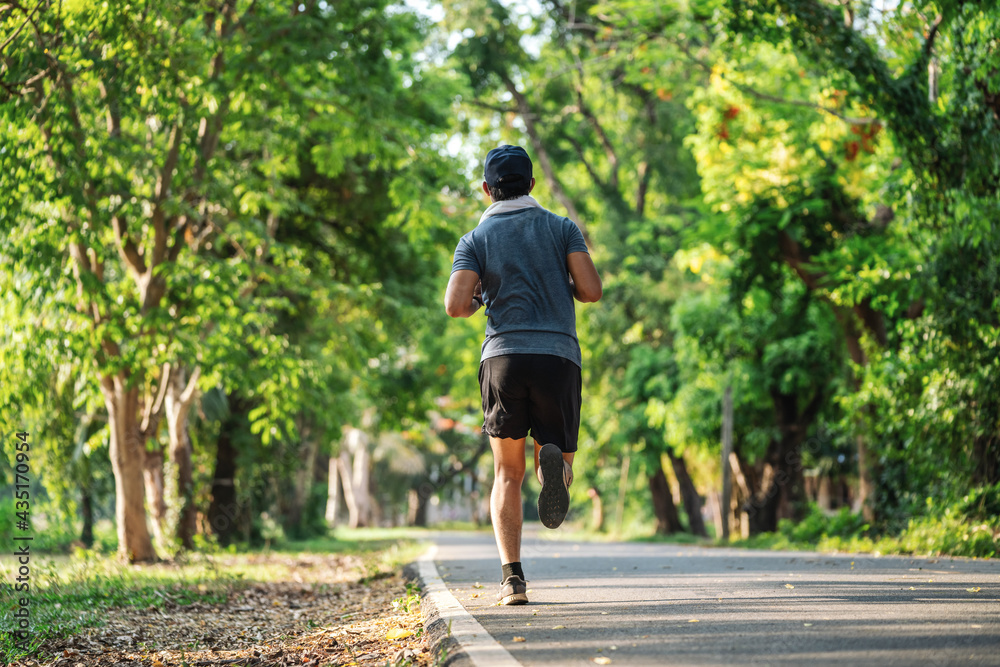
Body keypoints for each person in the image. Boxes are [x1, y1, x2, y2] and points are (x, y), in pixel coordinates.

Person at [444, 145, 602, 606]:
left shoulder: (475, 238)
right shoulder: (561, 227)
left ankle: (512, 579)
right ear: (532, 184)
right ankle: (554, 465)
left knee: (504, 473)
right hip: (556, 358)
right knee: (558, 451)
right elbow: (591, 291)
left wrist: (481, 300)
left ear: (487, 189)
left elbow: (456, 305)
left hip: (503, 360)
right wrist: (562, 284)